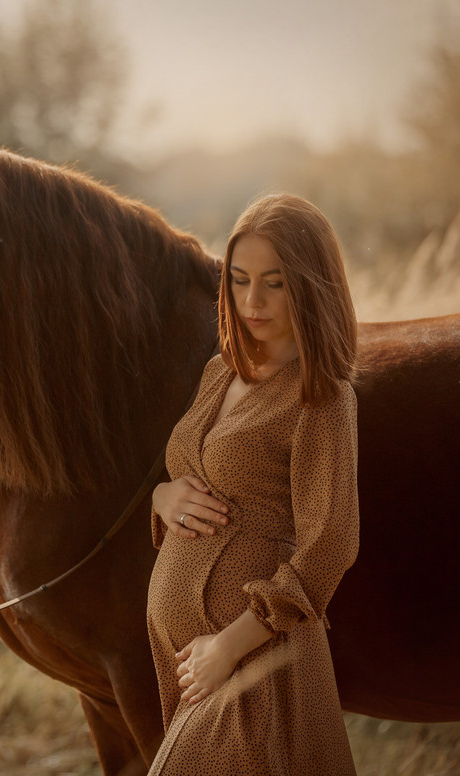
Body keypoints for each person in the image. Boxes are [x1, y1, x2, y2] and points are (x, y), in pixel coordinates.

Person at [146, 193, 360, 775]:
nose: (252, 301)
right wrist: (163, 498)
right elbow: (193, 470)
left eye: (275, 283)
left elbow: (331, 544)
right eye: (239, 280)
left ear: (310, 286)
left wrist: (228, 647)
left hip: (257, 658)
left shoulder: (321, 396)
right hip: (191, 657)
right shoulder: (220, 373)